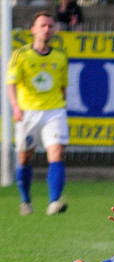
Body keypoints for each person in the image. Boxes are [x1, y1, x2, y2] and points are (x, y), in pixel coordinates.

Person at [6, 11, 69, 216]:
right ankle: (25, 201)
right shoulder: (21, 55)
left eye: (50, 26)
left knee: (57, 152)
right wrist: (15, 107)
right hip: (28, 112)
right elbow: (11, 84)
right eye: (42, 25)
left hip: (54, 111)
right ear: (33, 29)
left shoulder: (60, 57)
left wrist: (61, 107)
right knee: (24, 157)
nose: (47, 29)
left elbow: (62, 87)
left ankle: (54, 202)